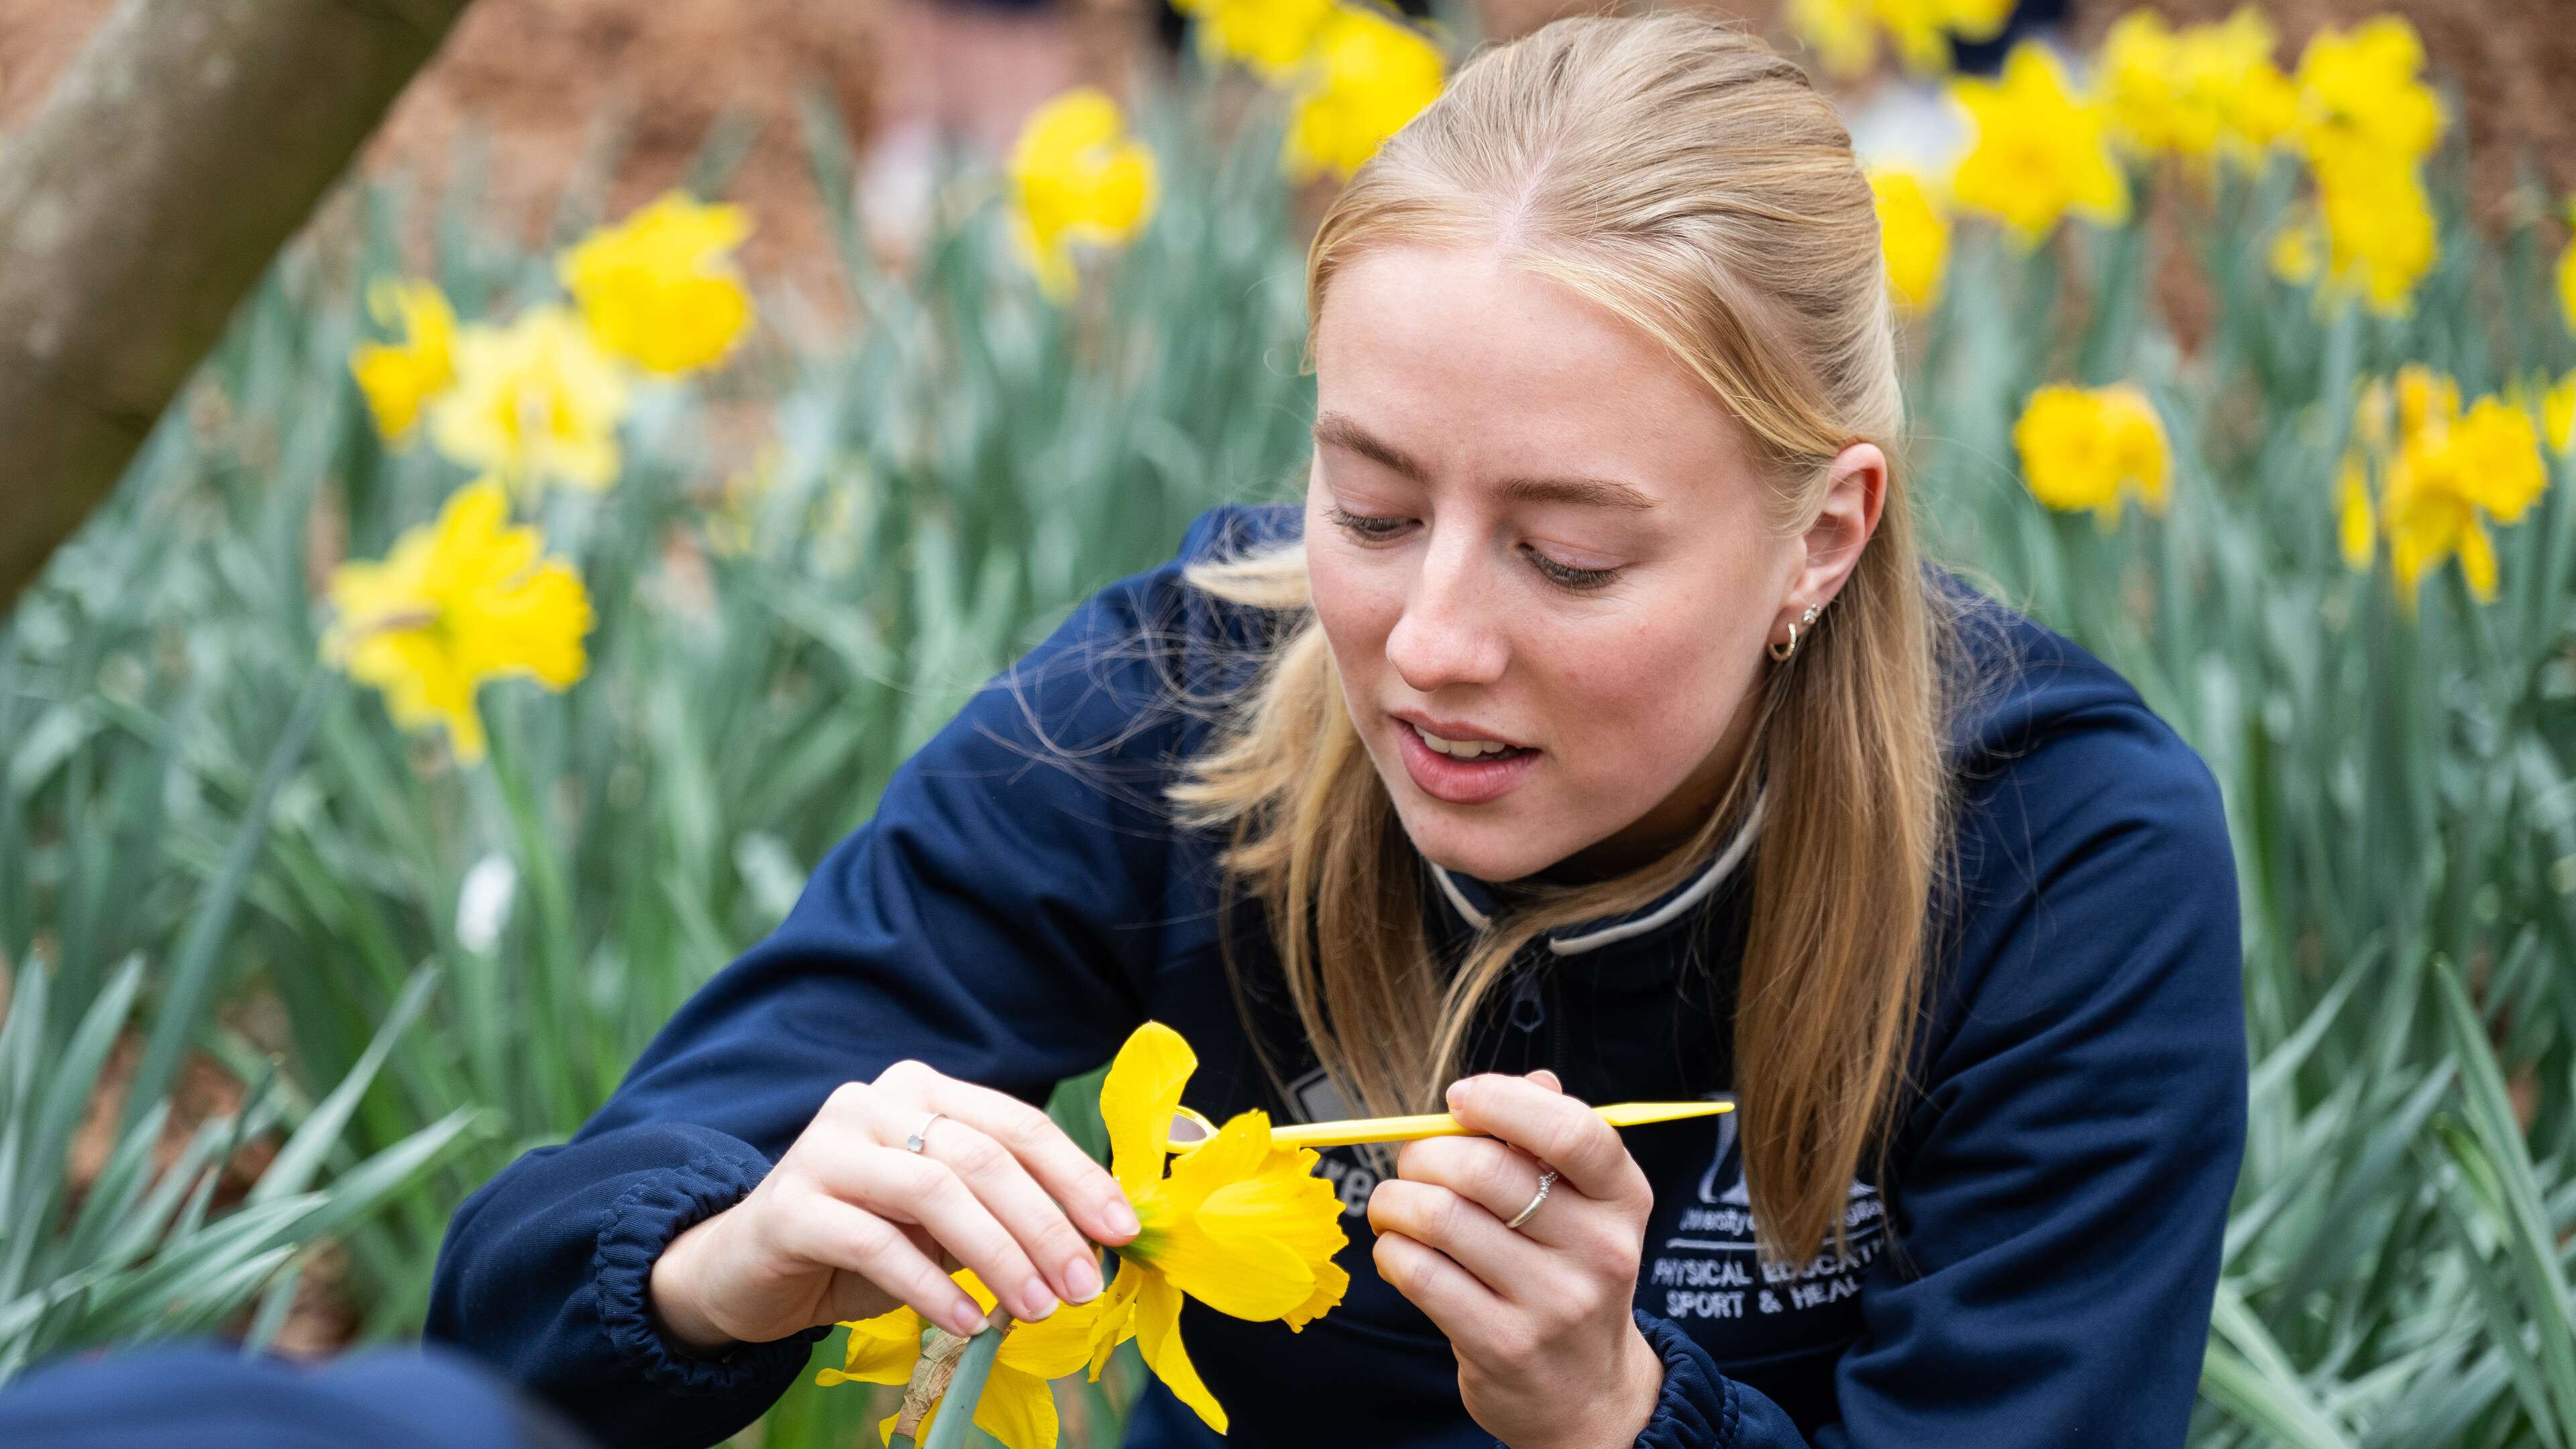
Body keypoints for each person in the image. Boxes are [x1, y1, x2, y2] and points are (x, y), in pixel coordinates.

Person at [427, 14, 2247, 1449]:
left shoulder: (2059, 859)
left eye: (1567, 554)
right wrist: (727, 1264)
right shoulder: (1169, 717)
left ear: (1823, 537)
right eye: (1368, 511)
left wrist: (1620, 1414)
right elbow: (498, 1326)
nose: (1429, 643)